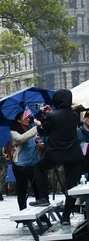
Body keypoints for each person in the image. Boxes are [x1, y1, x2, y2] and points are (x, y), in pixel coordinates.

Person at [33, 89, 84, 226]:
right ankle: (66, 217)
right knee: (72, 186)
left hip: (55, 154)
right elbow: (60, 121)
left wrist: (39, 125)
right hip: (73, 155)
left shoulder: (52, 116)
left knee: (38, 168)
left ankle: (44, 197)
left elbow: (44, 132)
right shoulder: (75, 115)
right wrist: (49, 114)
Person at [10, 109, 43, 209]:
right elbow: (21, 138)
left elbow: (37, 141)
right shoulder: (14, 132)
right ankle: (23, 212)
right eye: (24, 117)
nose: (28, 119)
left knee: (38, 189)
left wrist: (40, 145)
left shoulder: (33, 130)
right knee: (22, 190)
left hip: (33, 164)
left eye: (28, 117)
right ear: (19, 120)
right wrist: (36, 128)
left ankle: (41, 214)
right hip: (20, 166)